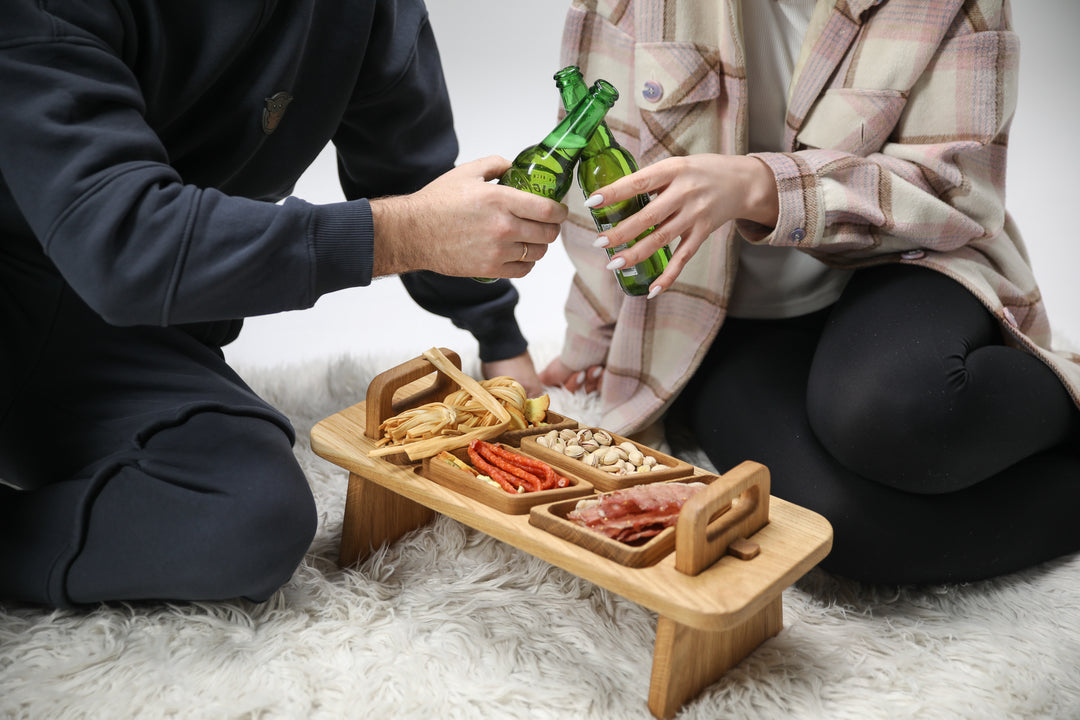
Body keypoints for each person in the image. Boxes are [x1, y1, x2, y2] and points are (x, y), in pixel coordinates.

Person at [0, 0, 564, 607]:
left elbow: (414, 178)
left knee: (250, 517)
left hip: (141, 338)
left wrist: (500, 338)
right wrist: (405, 233)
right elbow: (126, 245)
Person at [540, 0, 1080, 584]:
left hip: (905, 261)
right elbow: (598, 188)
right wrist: (589, 337)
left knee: (894, 414)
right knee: (842, 532)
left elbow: (958, 194)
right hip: (718, 313)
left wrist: (762, 187)